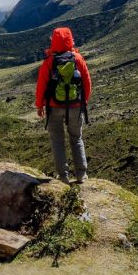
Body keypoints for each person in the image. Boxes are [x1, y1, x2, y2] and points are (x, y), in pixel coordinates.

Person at [35, 27, 92, 184]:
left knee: (57, 141)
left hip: (53, 107)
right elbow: (87, 82)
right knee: (76, 138)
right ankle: (81, 175)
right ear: (70, 39)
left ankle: (64, 177)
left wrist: (40, 106)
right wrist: (83, 101)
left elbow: (41, 86)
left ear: (53, 41)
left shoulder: (49, 62)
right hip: (75, 106)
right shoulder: (78, 59)